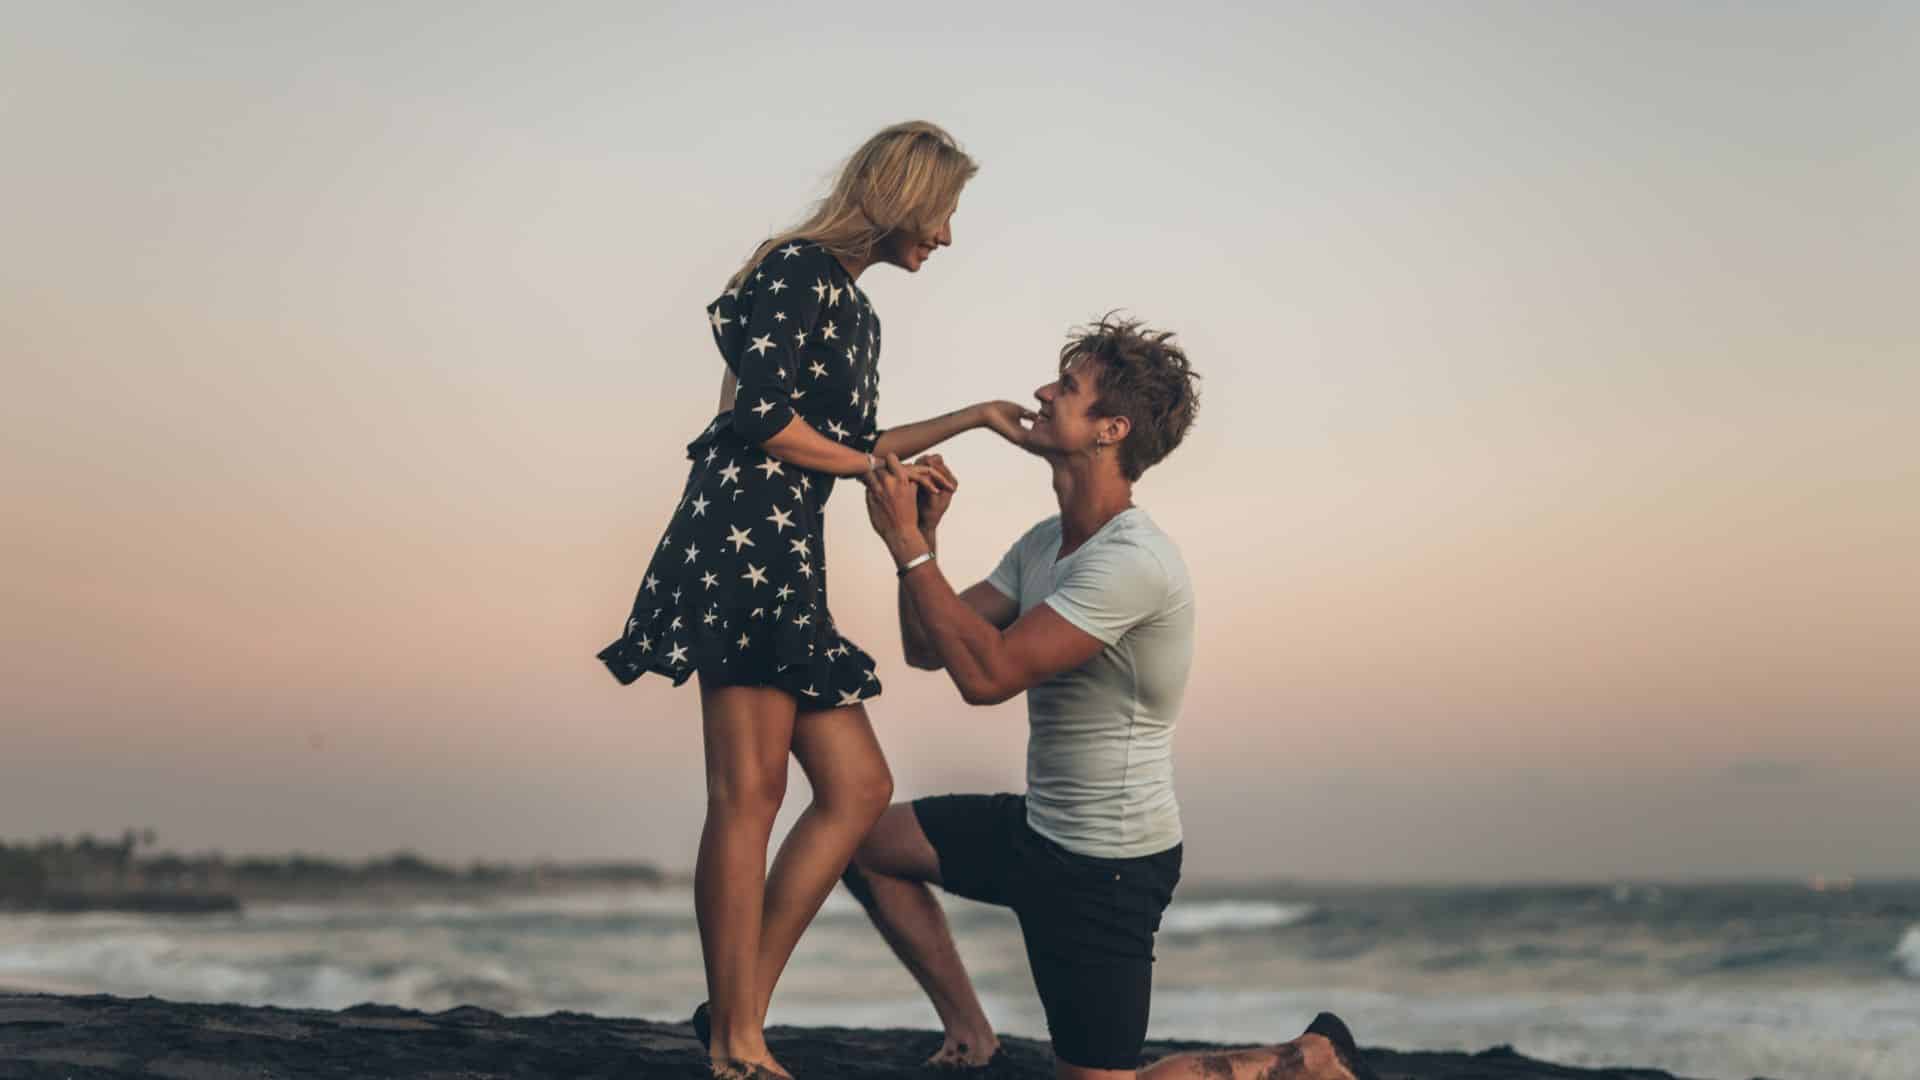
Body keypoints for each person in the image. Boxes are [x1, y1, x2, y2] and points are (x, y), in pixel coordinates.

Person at [596, 121, 1032, 1080]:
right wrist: (878, 464)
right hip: (739, 542)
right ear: (905, 198)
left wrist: (972, 420)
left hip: (787, 556)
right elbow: (757, 419)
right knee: (748, 796)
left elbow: (849, 436)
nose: (949, 238)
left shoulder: (855, 308)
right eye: (946, 213)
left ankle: (736, 1008)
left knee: (858, 790)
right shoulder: (794, 271)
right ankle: (737, 1042)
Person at [849, 315, 1378, 1080]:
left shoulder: (1133, 563)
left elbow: (987, 678)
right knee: (864, 844)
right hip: (1039, 830)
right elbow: (928, 649)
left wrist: (910, 547)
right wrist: (921, 544)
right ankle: (970, 1030)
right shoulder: (1043, 542)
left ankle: (1302, 1057)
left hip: (1107, 870)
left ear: (1111, 429)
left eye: (1066, 388)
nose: (1041, 393)